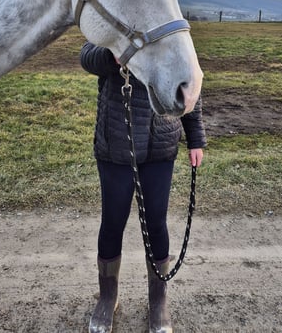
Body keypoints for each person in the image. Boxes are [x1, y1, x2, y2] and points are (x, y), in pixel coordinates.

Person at [80, 41, 206, 333]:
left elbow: (191, 87)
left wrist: (195, 138)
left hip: (160, 149)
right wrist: (112, 55)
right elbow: (87, 58)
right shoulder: (115, 24)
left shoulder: (171, 30)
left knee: (156, 223)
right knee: (112, 223)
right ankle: (108, 297)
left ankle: (158, 300)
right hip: (116, 149)